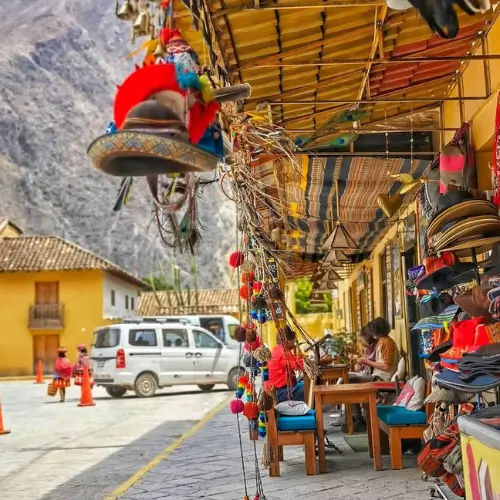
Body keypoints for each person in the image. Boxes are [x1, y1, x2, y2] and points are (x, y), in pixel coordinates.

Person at [345, 318, 399, 432]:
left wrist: (366, 362)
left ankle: (358, 418)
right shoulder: (382, 341)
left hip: (382, 378)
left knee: (349, 380)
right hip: (377, 375)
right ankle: (355, 418)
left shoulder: (387, 342)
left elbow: (386, 366)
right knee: (347, 377)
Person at [267, 337, 305, 403]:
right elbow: (298, 365)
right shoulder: (282, 352)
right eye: (293, 340)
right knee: (311, 389)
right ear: (287, 341)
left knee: (305, 385)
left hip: (282, 389)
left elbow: (294, 361)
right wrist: (310, 361)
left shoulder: (277, 349)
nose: (294, 342)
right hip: (281, 393)